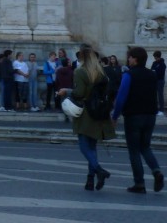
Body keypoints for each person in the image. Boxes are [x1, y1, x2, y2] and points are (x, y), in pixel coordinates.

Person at [58, 46, 115, 190]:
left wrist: (67, 91)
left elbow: (79, 92)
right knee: (92, 146)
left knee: (84, 145)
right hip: (99, 112)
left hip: (85, 112)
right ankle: (90, 180)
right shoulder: (101, 73)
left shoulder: (80, 72)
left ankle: (98, 170)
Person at [110, 46, 164, 193]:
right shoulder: (152, 75)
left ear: (135, 59)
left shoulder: (129, 75)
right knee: (145, 147)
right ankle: (156, 171)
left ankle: (139, 183)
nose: (128, 59)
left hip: (134, 116)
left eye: (130, 57)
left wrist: (115, 116)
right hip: (150, 115)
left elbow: (121, 97)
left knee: (134, 150)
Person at [152, 50, 166, 115]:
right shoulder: (154, 63)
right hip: (154, 81)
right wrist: (154, 72)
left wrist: (155, 72)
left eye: (155, 57)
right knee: (153, 95)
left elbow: (160, 73)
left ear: (158, 57)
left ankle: (161, 110)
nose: (155, 58)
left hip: (160, 81)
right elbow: (152, 70)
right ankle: (154, 109)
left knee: (160, 95)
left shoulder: (163, 64)